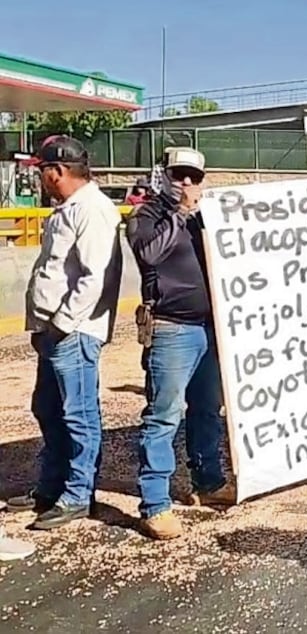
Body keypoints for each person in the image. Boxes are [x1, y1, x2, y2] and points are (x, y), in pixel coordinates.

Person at [9, 136, 123, 531]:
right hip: (54, 330)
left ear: (56, 172)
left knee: (78, 415)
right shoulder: (69, 209)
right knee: (48, 410)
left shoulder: (92, 209)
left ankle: (77, 495)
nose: (40, 178)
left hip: (72, 332)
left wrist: (60, 324)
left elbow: (95, 278)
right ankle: (51, 487)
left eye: (42, 171)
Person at [126, 147, 233, 540]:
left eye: (194, 176)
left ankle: (208, 484)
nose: (186, 183)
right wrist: (182, 213)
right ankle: (155, 504)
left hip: (209, 328)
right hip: (170, 329)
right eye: (178, 174)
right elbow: (151, 253)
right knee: (163, 415)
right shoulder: (146, 215)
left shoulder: (206, 217)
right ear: (163, 174)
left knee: (207, 410)